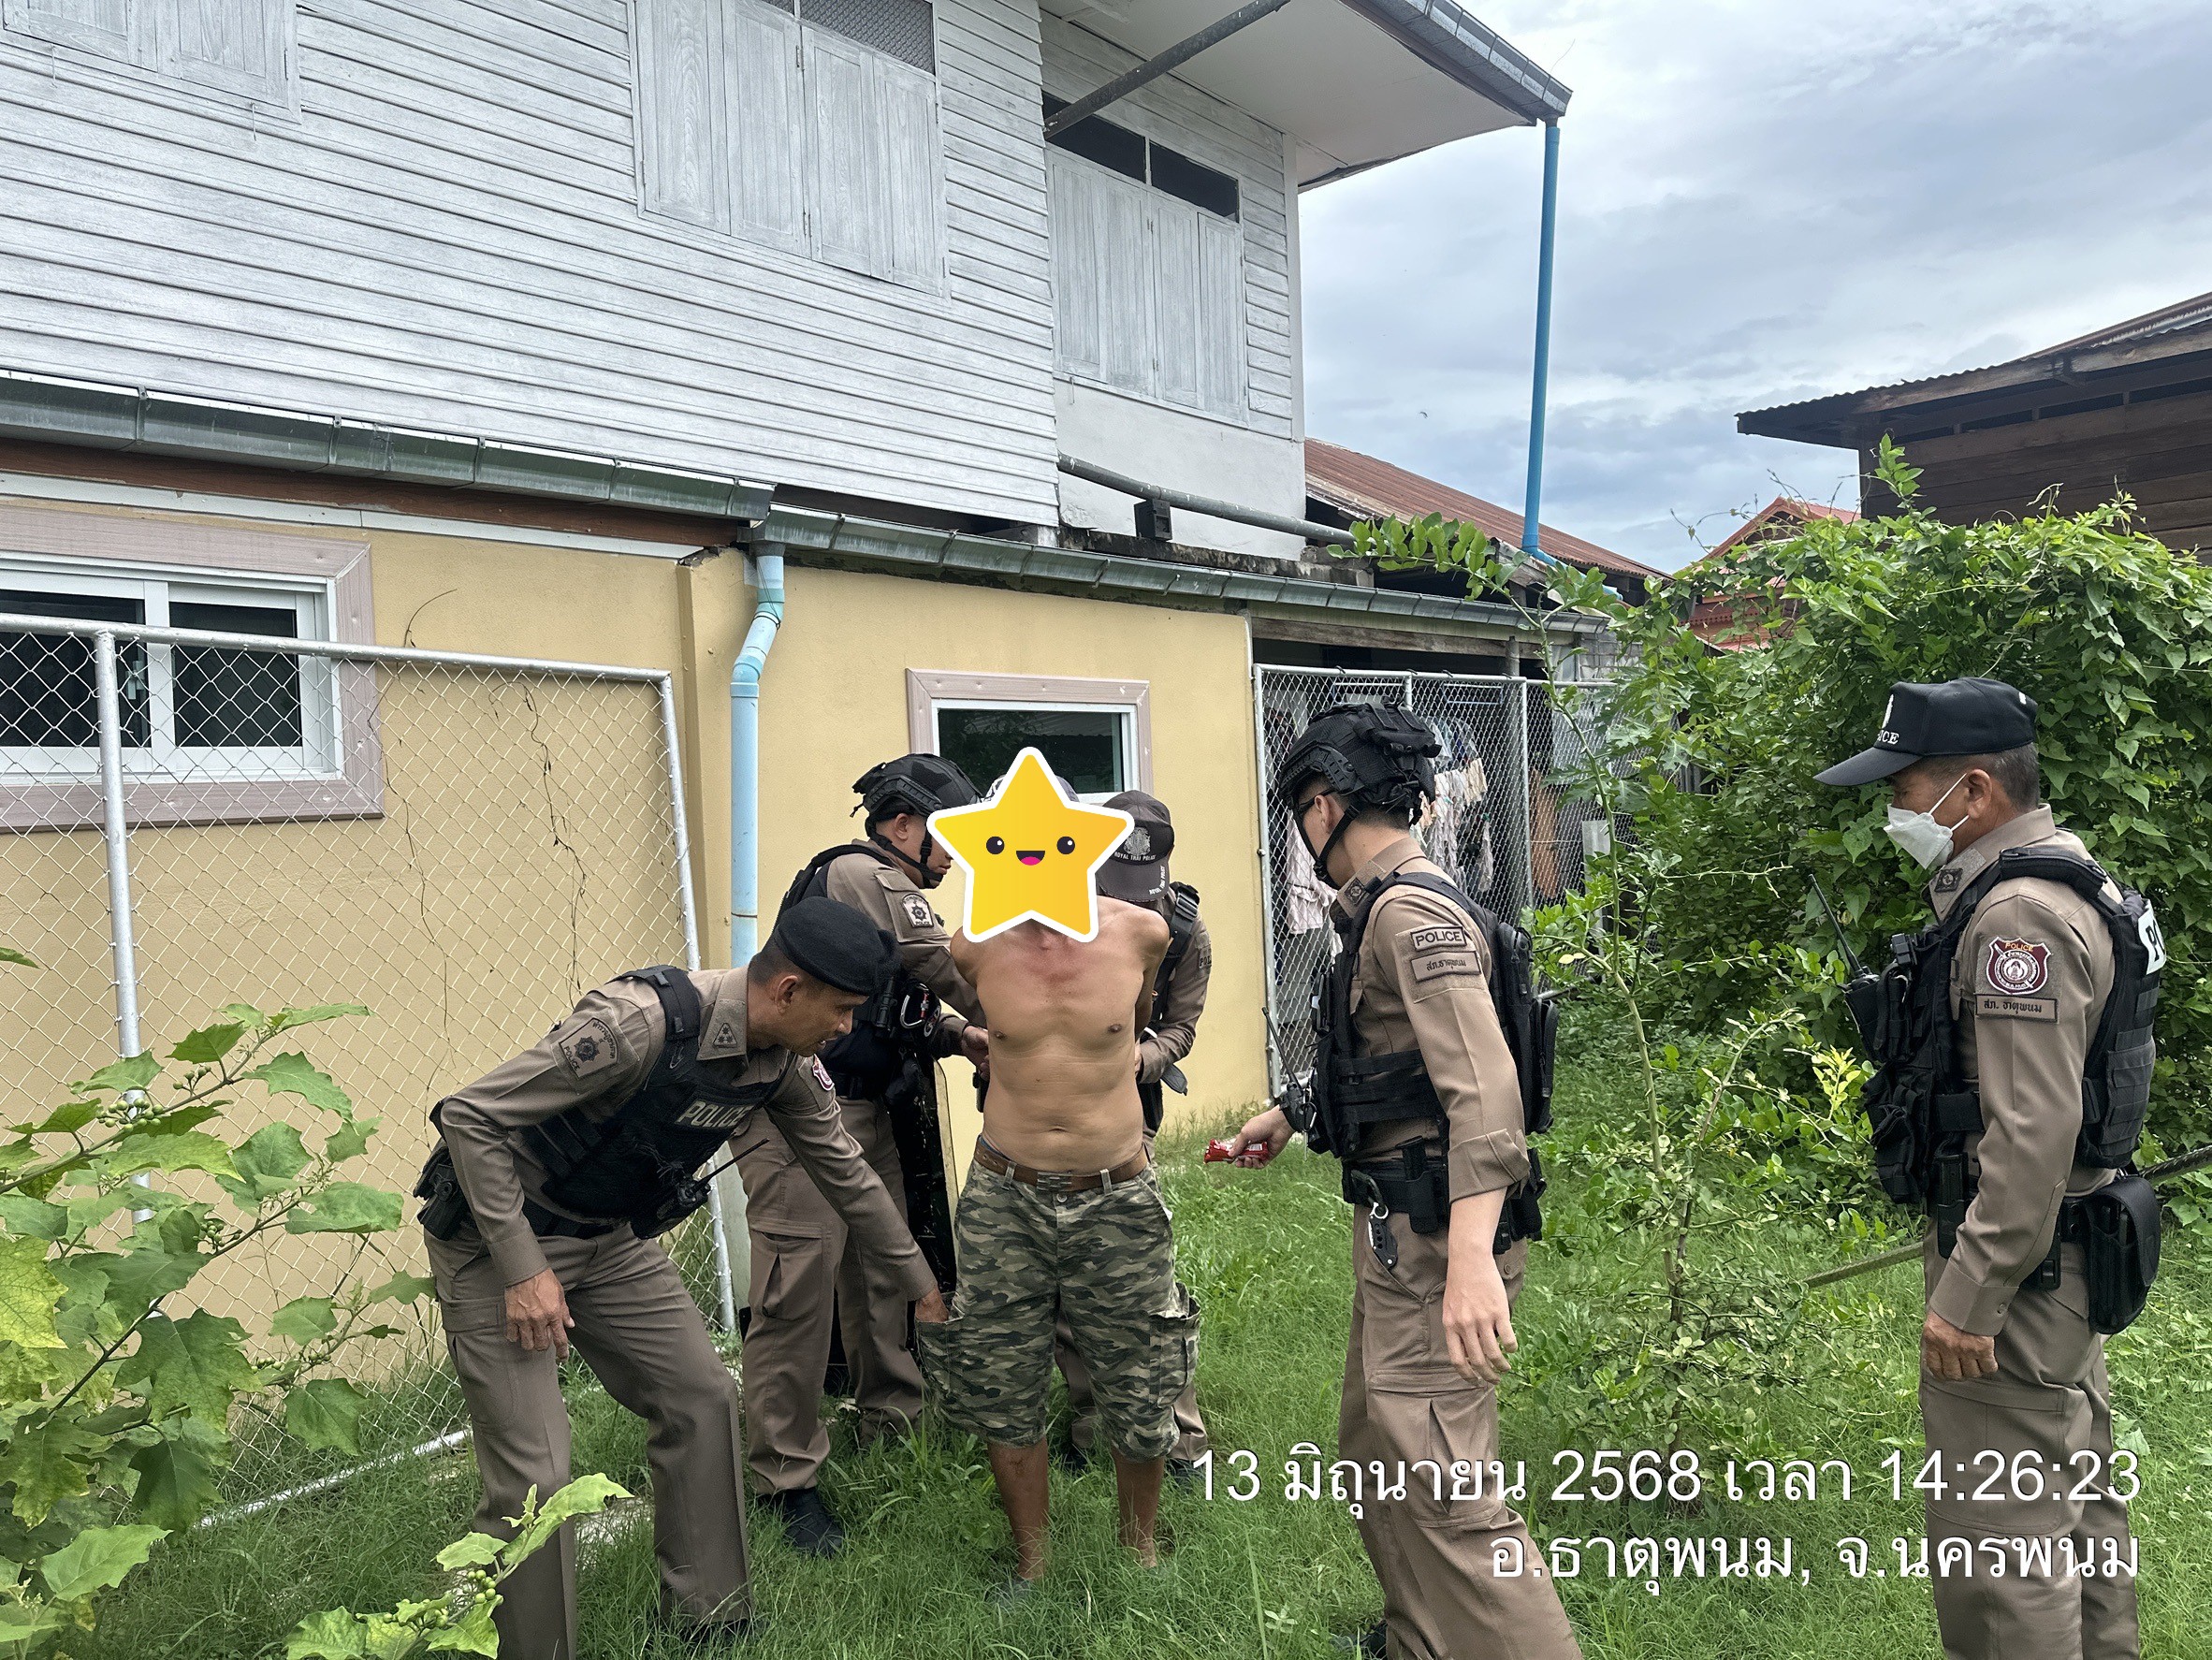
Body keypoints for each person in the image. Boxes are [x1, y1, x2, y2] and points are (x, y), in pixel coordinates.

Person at [414, 897, 947, 1660]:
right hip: (500, 1247)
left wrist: (920, 1285)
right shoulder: (639, 1025)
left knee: (701, 1397)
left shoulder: (782, 1063)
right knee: (537, 1473)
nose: (846, 1027)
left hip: (609, 1240)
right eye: (841, 1009)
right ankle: (535, 1650)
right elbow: (470, 1116)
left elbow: (847, 1174)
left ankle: (710, 1617)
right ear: (788, 990)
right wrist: (524, 1269)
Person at [1228, 703, 1579, 1660]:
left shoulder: (1410, 915)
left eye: (1300, 816)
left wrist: (1469, 1261)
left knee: (1449, 1493)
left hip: (1433, 1241)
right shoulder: (1389, 905)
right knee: (1376, 1456)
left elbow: (1488, 1094)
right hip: (1403, 1234)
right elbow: (1395, 1057)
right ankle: (1420, 1641)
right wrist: (1293, 1111)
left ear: (1324, 808)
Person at [1817, 677, 2159, 1660]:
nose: (1893, 810)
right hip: (2063, 1256)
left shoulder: (2017, 918)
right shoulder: (2070, 878)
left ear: (1972, 791)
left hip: (2021, 1274)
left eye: (1904, 788)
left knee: (2000, 1542)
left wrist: (1972, 1293)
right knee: (2075, 1506)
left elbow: (2033, 1128)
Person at [738, 755, 989, 1556]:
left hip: (869, 1107)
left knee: (882, 1273)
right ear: (903, 825)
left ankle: (893, 1423)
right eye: (952, 836)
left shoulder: (882, 884)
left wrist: (960, 1036)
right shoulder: (865, 873)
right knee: (797, 1292)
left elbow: (895, 1007)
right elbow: (946, 970)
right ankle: (783, 1480)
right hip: (801, 1115)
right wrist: (1037, 1006)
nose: (959, 855)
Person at [918, 898, 1198, 1594]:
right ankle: (1032, 1568)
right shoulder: (976, 945)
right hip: (1005, 1196)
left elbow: (1137, 1026)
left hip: (1117, 1193)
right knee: (1002, 1378)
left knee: (1141, 1371)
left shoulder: (1143, 933)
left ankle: (1139, 1553)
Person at [1053, 789, 1210, 1478]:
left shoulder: (1185, 932)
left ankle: (1179, 1439)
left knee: (1143, 1276)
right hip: (1052, 1112)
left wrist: (1145, 1058)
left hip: (1128, 1112)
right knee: (1067, 1278)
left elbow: (1183, 1027)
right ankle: (1092, 1424)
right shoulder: (1053, 916)